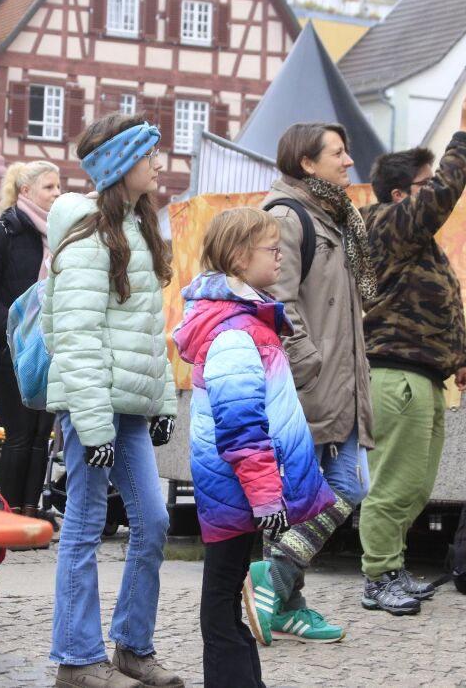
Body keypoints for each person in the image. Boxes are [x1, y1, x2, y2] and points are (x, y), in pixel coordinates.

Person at [44, 113, 181, 688]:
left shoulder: (138, 227)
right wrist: (94, 427)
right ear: (120, 164)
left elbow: (150, 332)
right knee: (84, 524)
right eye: (148, 154)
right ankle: (76, 659)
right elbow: (77, 337)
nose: (158, 163)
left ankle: (131, 645)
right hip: (91, 407)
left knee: (152, 520)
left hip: (125, 406)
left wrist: (164, 402)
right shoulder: (87, 234)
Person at [173, 208, 334, 688]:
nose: (282, 255)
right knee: (223, 599)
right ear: (240, 258)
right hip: (238, 487)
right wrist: (267, 496)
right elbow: (241, 426)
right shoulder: (234, 331)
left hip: (242, 486)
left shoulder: (248, 319)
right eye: (273, 248)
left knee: (227, 592)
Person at [246, 122, 374, 644]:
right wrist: (309, 363)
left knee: (329, 491)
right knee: (344, 487)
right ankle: (273, 583)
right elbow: (277, 301)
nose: (348, 161)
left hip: (339, 383)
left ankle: (280, 596)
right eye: (337, 153)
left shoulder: (336, 218)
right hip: (307, 383)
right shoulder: (287, 215)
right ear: (307, 163)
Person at [357, 89, 466, 614]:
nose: (433, 191)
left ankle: (393, 566)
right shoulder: (386, 226)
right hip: (396, 375)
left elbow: (441, 303)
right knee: (395, 483)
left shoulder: (415, 243)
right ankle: (378, 576)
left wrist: (461, 358)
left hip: (423, 376)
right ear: (397, 196)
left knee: (416, 484)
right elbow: (442, 198)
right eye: (423, 184)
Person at [0, 160, 61, 518]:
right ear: (25, 191)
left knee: (42, 436)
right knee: (21, 433)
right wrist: (12, 331)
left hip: (50, 349)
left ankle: (30, 512)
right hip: (11, 351)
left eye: (58, 187)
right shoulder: (2, 235)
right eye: (49, 187)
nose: (57, 194)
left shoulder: (58, 236)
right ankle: (7, 517)